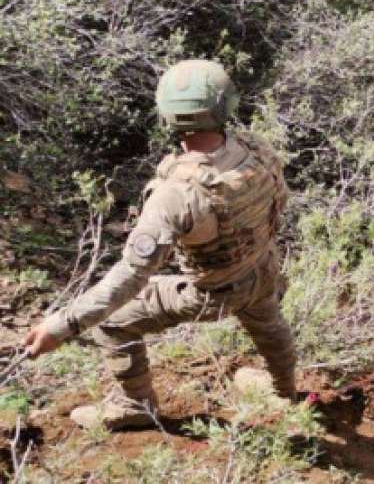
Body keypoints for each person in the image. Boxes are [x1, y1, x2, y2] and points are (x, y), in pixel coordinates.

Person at [21, 59, 296, 431]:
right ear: (225, 106)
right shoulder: (256, 150)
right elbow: (276, 204)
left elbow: (131, 276)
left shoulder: (175, 193)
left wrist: (63, 324)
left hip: (215, 291)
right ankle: (284, 392)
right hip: (263, 267)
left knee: (114, 324)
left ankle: (134, 405)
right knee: (268, 322)